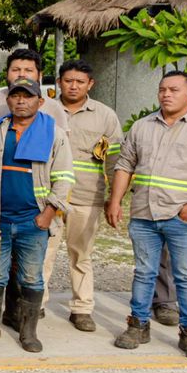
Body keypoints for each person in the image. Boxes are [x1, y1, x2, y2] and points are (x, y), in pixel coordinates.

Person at [107, 71, 187, 363]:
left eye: (174, 89)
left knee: (186, 276)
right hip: (143, 215)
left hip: (182, 218)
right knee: (143, 273)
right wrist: (115, 201)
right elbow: (125, 165)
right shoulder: (142, 127)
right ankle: (137, 325)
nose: (166, 94)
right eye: (162, 89)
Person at [0, 80, 73, 352]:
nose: (20, 101)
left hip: (34, 220)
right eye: (15, 96)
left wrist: (48, 214)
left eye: (27, 97)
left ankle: (28, 333)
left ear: (40, 102)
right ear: (8, 101)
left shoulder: (54, 133)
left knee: (31, 278)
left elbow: (63, 178)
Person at [53, 60, 121, 333]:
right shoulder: (46, 110)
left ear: (90, 84)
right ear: (59, 82)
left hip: (86, 196)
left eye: (80, 82)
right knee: (42, 255)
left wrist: (114, 198)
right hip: (50, 197)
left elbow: (115, 160)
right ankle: (36, 305)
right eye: (68, 80)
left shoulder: (105, 116)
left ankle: (81, 310)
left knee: (81, 255)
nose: (73, 86)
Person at [0, 48, 68, 125]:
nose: (22, 75)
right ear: (7, 74)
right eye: (16, 70)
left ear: (40, 75)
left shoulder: (53, 108)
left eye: (28, 70)